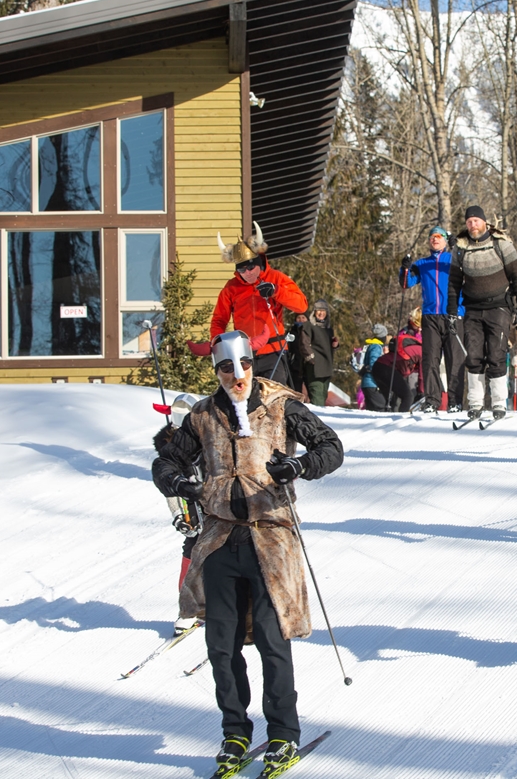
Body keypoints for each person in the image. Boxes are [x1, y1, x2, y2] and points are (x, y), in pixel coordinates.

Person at [151, 330, 344, 778]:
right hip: (220, 539)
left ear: (253, 365)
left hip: (271, 538)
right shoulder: (201, 415)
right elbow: (165, 463)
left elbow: (330, 448)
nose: (235, 378)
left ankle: (283, 735)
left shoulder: (281, 405)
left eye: (242, 368)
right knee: (221, 645)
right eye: (224, 369)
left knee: (273, 644)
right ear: (215, 371)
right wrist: (180, 485)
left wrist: (298, 466)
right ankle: (235, 731)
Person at [447, 205, 517, 420]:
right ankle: (475, 403)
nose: (473, 225)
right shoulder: (460, 248)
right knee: (473, 356)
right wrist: (452, 313)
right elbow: (454, 283)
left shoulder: (501, 243)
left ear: (484, 222)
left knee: (496, 354)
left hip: (499, 307)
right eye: (469, 222)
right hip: (472, 309)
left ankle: (499, 403)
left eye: (476, 221)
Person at [211, 228, 308, 387]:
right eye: (242, 270)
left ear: (259, 263)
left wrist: (276, 291)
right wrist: (218, 347)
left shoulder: (275, 278)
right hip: (244, 355)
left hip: (273, 353)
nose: (247, 273)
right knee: (247, 402)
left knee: (274, 399)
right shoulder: (231, 288)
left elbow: (301, 306)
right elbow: (219, 320)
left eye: (251, 268)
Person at [152, 393, 204, 636]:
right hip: (193, 512)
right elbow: (169, 487)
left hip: (221, 509)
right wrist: (177, 516)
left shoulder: (211, 435)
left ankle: (240, 609)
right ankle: (189, 611)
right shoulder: (169, 448)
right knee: (191, 554)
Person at [401, 225, 466, 412]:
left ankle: (455, 401)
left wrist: (458, 248)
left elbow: (469, 266)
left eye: (439, 237)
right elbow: (407, 282)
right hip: (430, 317)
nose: (435, 239)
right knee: (430, 360)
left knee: (455, 360)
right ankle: (432, 401)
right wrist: (404, 268)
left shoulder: (453, 259)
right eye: (432, 237)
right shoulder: (422, 264)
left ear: (445, 241)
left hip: (454, 314)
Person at [300, 300, 338, 406]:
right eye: (318, 310)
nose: (321, 313)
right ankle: (318, 418)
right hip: (315, 366)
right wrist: (310, 358)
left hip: (327, 366)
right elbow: (304, 343)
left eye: (324, 310)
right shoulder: (308, 326)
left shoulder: (328, 329)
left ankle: (320, 417)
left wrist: (334, 344)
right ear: (314, 312)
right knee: (317, 396)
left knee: (323, 394)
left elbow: (328, 346)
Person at [358, 324, 388, 411]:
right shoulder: (376, 347)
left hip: (368, 383)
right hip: (372, 383)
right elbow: (373, 363)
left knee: (371, 408)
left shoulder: (373, 345)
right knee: (381, 406)